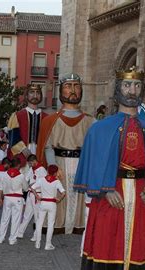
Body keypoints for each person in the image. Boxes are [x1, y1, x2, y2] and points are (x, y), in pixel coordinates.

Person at [74, 67, 145, 270]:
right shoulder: (99, 129)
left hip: (141, 191)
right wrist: (104, 190)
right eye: (127, 85)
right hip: (112, 190)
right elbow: (94, 162)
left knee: (141, 235)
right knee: (108, 234)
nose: (132, 90)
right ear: (118, 89)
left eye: (137, 85)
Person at [36, 73, 95, 234]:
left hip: (81, 163)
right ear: (61, 91)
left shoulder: (91, 121)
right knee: (59, 193)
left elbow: (95, 149)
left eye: (76, 86)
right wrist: (53, 166)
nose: (73, 90)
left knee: (79, 196)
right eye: (68, 86)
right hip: (59, 162)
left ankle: (78, 223)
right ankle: (57, 224)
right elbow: (47, 146)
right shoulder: (50, 120)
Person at [7, 84, 48, 160]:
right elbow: (13, 137)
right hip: (22, 153)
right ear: (26, 96)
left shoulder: (47, 117)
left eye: (38, 93)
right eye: (32, 92)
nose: (35, 95)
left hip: (41, 153)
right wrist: (23, 149)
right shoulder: (17, 116)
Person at [32, 164, 66, 250]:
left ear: (47, 171)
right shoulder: (57, 181)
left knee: (39, 223)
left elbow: (32, 187)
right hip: (52, 204)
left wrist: (36, 196)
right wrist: (59, 199)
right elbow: (63, 192)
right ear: (55, 173)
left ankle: (37, 243)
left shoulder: (41, 180)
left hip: (43, 202)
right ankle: (48, 244)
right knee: (51, 224)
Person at [0, 158, 28, 245]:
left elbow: (0, 188)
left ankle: (0, 237)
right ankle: (12, 239)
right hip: (17, 198)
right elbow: (26, 188)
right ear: (18, 165)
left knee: (4, 218)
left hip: (7, 198)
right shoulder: (21, 176)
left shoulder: (4, 174)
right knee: (15, 219)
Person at [17, 154, 47, 240]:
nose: (29, 165)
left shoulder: (42, 170)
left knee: (37, 216)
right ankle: (20, 232)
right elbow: (26, 179)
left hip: (38, 194)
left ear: (34, 161)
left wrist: (31, 185)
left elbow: (42, 183)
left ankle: (36, 235)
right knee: (27, 214)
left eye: (30, 163)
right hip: (30, 193)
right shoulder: (31, 169)